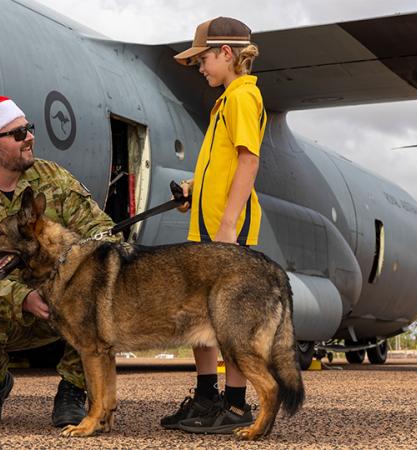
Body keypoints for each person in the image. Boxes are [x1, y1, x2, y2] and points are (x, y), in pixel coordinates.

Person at [0, 96, 119, 425]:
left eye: (29, 129)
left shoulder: (53, 180)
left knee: (98, 299)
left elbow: (102, 232)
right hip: (9, 307)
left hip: (62, 300)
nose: (30, 137)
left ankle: (74, 389)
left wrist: (74, 278)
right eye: (18, 133)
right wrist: (23, 298)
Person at [161, 17, 267, 434]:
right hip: (207, 225)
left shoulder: (243, 97)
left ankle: (237, 406)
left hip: (226, 229)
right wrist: (194, 189)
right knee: (199, 312)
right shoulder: (225, 100)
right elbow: (221, 166)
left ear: (226, 53)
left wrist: (228, 224)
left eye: (203, 58)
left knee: (229, 316)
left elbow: (249, 160)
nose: (200, 67)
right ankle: (207, 398)